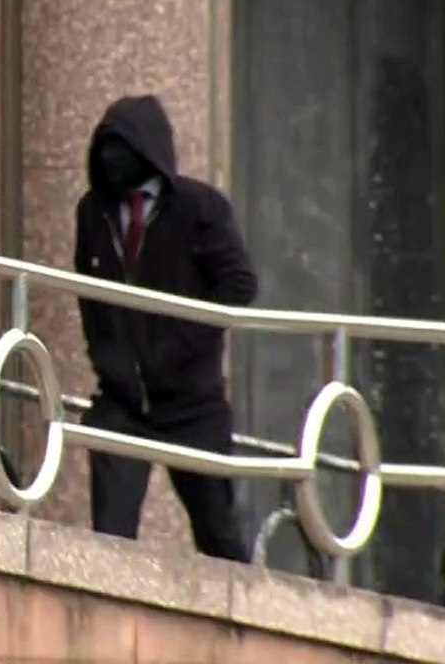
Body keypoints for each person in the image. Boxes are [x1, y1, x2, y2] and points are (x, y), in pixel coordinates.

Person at [73, 94, 258, 561]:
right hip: (122, 399)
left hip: (192, 403)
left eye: (121, 147)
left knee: (218, 533)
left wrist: (178, 348)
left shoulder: (199, 207)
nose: (111, 159)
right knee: (110, 535)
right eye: (104, 147)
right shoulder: (92, 211)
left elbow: (239, 284)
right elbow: (89, 293)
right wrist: (107, 357)